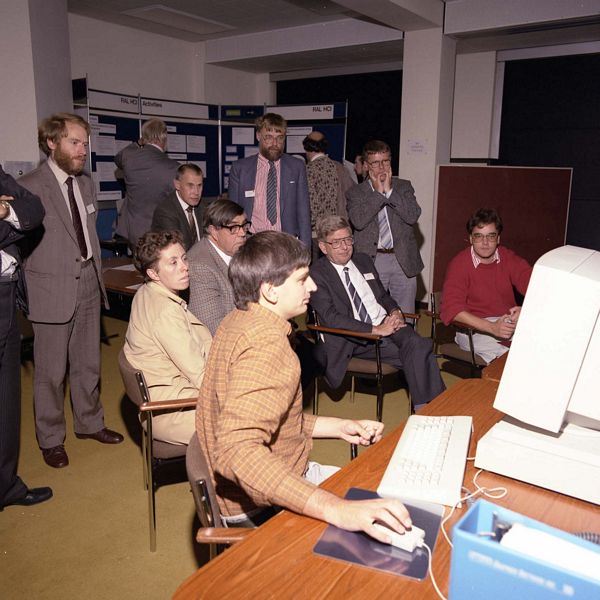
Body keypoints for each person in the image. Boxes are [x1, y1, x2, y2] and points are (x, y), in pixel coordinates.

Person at [196, 230, 412, 542]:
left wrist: (338, 426)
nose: (312, 286)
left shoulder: (237, 320)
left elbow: (268, 416)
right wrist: (336, 509)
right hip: (260, 509)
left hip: (263, 483)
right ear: (270, 290)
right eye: (301, 279)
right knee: (397, 524)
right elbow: (236, 450)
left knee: (384, 499)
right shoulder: (267, 348)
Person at [19, 113, 123, 469]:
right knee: (50, 372)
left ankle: (89, 422)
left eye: (84, 143)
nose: (83, 150)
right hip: (51, 288)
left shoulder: (86, 184)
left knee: (88, 363)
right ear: (52, 142)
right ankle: (50, 438)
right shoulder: (30, 186)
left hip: (89, 282)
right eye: (74, 143)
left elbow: (87, 231)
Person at [310, 216, 445, 409]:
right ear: (323, 247)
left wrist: (395, 311)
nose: (345, 247)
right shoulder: (316, 274)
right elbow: (331, 318)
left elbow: (382, 295)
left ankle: (428, 410)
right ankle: (432, 410)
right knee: (420, 350)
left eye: (348, 240)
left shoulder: (363, 260)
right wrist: (375, 329)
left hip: (387, 323)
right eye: (337, 242)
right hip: (355, 336)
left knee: (417, 346)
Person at [124, 231, 211, 444]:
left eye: (184, 258)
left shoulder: (146, 292)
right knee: (255, 418)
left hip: (174, 400)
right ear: (153, 274)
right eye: (172, 262)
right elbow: (201, 377)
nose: (184, 266)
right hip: (173, 411)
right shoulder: (165, 312)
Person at [0, 166, 52, 509]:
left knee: (6, 399)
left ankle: (6, 487)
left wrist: (6, 212)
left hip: (6, 296)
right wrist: (10, 226)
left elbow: (34, 208)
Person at [441, 208, 533, 364]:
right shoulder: (459, 264)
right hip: (472, 329)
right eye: (478, 236)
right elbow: (453, 310)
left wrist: (527, 309)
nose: (485, 243)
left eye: (491, 236)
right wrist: (492, 327)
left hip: (504, 321)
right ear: (470, 238)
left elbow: (534, 284)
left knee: (537, 343)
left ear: (498, 239)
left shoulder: (507, 257)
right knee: (512, 356)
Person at [347, 140, 424, 316]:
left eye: (386, 161)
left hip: (402, 259)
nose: (382, 167)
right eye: (375, 163)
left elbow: (412, 215)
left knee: (406, 315)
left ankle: (406, 343)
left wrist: (389, 192)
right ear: (366, 165)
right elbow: (358, 221)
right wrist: (378, 194)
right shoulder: (356, 193)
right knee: (374, 312)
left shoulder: (403, 187)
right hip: (373, 260)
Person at [228, 113, 311, 247]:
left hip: (285, 243)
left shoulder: (296, 167)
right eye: (268, 137)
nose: (274, 144)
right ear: (258, 136)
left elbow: (304, 213)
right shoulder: (240, 168)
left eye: (279, 138)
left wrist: (306, 249)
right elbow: (232, 213)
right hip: (251, 242)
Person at [187, 199, 249, 335]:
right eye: (233, 228)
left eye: (244, 225)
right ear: (213, 231)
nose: (243, 233)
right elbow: (214, 328)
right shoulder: (200, 267)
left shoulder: (239, 248)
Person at [115, 118, 178, 248]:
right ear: (164, 137)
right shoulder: (173, 167)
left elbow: (118, 157)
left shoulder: (129, 160)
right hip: (160, 231)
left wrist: (138, 142)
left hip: (133, 231)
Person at [303, 131, 354, 260]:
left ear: (306, 148)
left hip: (316, 237)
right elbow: (352, 198)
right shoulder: (341, 169)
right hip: (340, 235)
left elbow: (310, 207)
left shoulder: (307, 171)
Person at [151, 163, 204, 251]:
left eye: (199, 185)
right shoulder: (165, 212)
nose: (196, 192)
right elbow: (179, 249)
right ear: (177, 185)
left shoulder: (203, 207)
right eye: (190, 186)